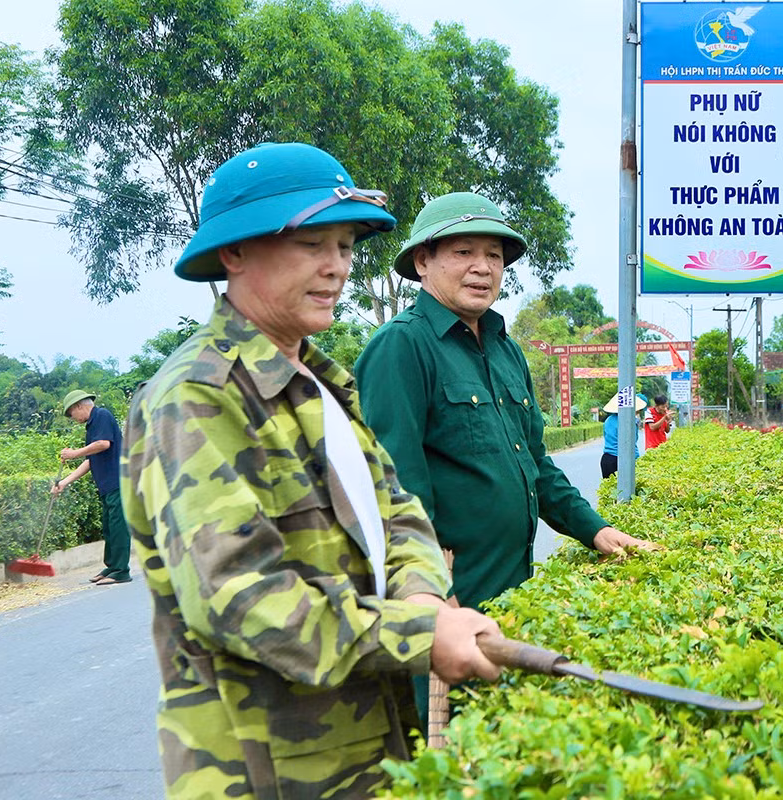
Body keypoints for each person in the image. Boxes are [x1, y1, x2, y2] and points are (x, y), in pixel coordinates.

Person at [119, 143, 502, 799]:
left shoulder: (320, 381)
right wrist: (418, 633)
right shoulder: (198, 398)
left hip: (367, 753)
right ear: (234, 253)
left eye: (346, 247)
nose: (336, 267)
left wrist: (421, 596)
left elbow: (397, 511)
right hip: (266, 774)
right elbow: (240, 598)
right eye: (311, 245)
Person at [354, 191, 654, 613]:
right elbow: (396, 489)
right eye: (464, 252)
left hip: (513, 592)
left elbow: (536, 465)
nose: (483, 267)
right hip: (451, 602)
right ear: (423, 261)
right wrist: (433, 595)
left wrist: (596, 530)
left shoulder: (506, 351)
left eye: (494, 255)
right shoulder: (401, 345)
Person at [52, 390, 131, 585]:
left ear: (79, 406)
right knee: (109, 527)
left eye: (71, 414)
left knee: (118, 527)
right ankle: (112, 567)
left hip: (118, 482)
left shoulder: (102, 415)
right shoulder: (92, 426)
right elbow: (89, 461)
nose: (73, 418)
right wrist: (64, 482)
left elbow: (103, 444)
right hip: (107, 486)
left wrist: (74, 453)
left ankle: (121, 571)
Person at [600, 393, 644, 479]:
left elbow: (606, 436)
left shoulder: (608, 420)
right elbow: (632, 443)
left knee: (609, 486)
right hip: (622, 460)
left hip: (607, 459)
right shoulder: (629, 421)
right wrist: (637, 460)